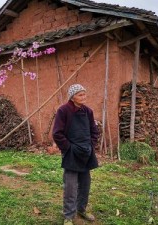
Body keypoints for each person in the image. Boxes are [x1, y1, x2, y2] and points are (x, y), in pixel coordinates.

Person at [52, 84, 99, 225]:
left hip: (86, 153)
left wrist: (90, 145)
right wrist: (68, 148)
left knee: (85, 184)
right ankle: (68, 215)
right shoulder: (63, 110)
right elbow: (57, 133)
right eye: (80, 94)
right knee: (71, 187)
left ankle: (81, 209)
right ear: (72, 97)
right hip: (72, 153)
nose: (83, 97)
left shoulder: (88, 111)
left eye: (84, 94)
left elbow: (94, 131)